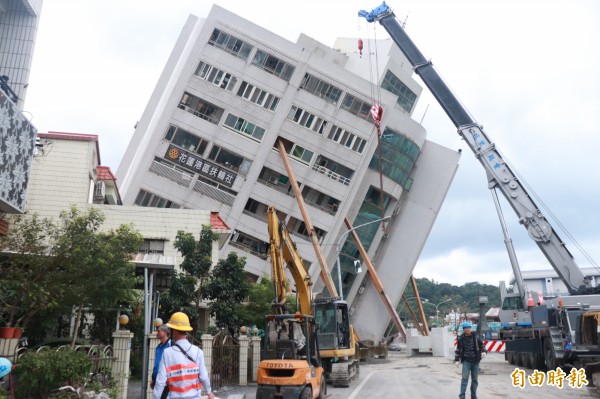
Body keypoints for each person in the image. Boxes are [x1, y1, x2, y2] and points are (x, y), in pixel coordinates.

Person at [153, 312, 215, 399]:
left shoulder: (167, 353)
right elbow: (204, 376)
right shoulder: (198, 351)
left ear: (173, 331)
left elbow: (160, 381)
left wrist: (156, 397)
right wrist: (209, 392)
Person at [454, 321, 486, 399]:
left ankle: (473, 395)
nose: (467, 330)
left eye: (468, 328)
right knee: (465, 378)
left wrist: (484, 351)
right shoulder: (461, 338)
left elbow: (482, 345)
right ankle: (462, 395)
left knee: (475, 379)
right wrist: (457, 360)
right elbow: (458, 350)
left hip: (475, 361)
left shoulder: (476, 337)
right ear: (463, 330)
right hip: (466, 362)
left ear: (470, 329)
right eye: (465, 328)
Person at [150, 325, 170, 389]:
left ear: (165, 333)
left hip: (166, 382)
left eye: (159, 331)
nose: (157, 333)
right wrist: (153, 378)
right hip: (157, 380)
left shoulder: (170, 346)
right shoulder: (158, 347)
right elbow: (156, 364)